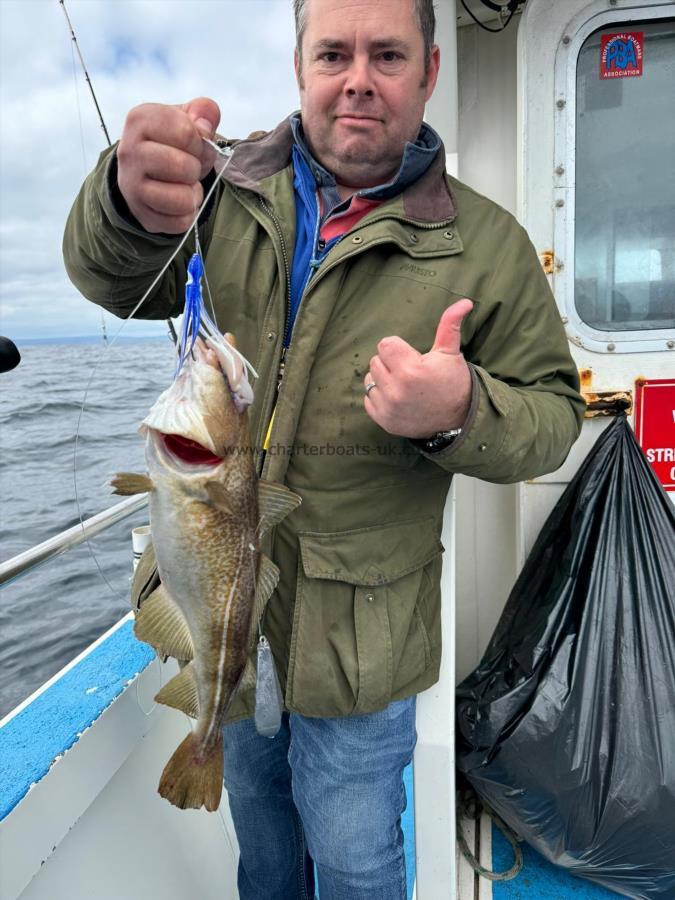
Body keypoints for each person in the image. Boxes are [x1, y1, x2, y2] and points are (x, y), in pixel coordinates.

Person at [63, 0, 585, 896]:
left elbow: (552, 416)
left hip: (362, 640)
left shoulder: (488, 245)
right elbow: (112, 279)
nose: (357, 79)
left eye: (386, 55)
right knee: (264, 843)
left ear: (428, 70)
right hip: (234, 618)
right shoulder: (218, 188)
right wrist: (120, 198)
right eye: (332, 53)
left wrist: (459, 410)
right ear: (298, 65)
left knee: (353, 853)